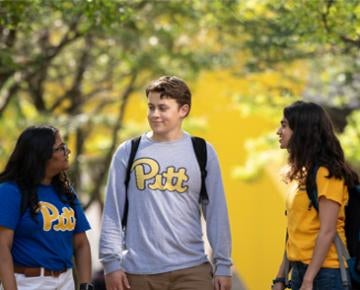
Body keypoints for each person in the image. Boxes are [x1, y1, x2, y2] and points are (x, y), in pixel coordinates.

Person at [99, 76, 232, 290]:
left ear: (183, 110)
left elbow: (216, 213)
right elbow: (113, 212)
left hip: (192, 270)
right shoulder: (128, 151)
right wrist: (111, 265)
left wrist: (223, 265)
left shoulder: (203, 151)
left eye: (162, 108)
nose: (154, 115)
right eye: (150, 107)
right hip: (139, 272)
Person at [273, 101, 359, 290]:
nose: (278, 131)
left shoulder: (327, 172)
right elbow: (293, 231)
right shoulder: (298, 175)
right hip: (299, 271)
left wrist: (309, 279)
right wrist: (281, 276)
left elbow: (327, 231)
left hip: (327, 273)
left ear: (302, 131)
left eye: (284, 125)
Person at [0, 125, 94, 290]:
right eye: (60, 148)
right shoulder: (11, 191)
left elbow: (81, 244)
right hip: (28, 283)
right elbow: (2, 248)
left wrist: (86, 285)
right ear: (41, 155)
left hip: (66, 282)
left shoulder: (66, 191)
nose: (68, 151)